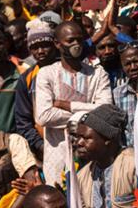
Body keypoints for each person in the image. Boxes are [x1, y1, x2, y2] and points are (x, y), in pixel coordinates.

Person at [35, 20, 112, 186]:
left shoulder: (98, 74)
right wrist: (89, 114)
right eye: (70, 41)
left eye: (79, 40)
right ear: (57, 44)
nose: (76, 44)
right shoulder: (46, 74)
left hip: (93, 159)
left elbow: (106, 111)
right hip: (58, 160)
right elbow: (44, 116)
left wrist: (67, 105)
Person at [14, 19, 58, 155]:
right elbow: (23, 120)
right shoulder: (26, 78)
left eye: (45, 45)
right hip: (43, 148)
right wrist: (40, 145)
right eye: (34, 47)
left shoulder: (68, 69)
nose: (40, 51)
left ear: (54, 44)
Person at [112, 42, 138, 148]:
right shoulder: (117, 94)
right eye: (127, 64)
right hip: (131, 154)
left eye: (137, 62)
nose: (133, 67)